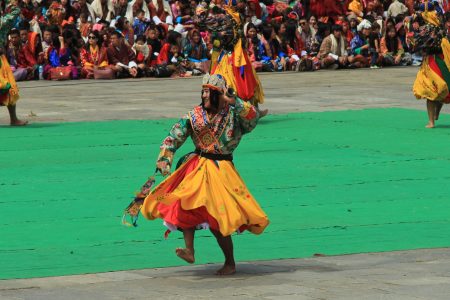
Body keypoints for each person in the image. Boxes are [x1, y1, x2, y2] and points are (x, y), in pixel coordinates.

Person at [140, 74, 269, 275]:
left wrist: (235, 101)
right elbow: (173, 137)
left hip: (221, 170)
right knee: (184, 204)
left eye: (209, 92)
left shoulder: (234, 116)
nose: (205, 96)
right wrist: (165, 157)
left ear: (220, 95)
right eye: (203, 92)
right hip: (196, 166)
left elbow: (253, 118)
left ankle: (230, 262)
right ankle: (189, 250)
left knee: (218, 218)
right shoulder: (193, 115)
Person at [0, 3, 27, 126]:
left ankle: (14, 119)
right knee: (8, 87)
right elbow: (15, 10)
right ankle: (14, 119)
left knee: (9, 87)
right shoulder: (3, 21)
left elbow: (15, 11)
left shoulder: (3, 21)